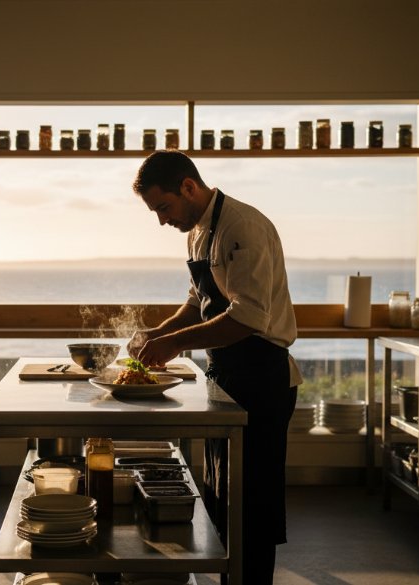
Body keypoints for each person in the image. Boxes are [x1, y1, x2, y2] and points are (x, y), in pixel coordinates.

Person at [128, 150, 302, 584]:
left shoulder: (242, 226)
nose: (162, 221)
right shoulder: (196, 232)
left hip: (261, 378)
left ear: (189, 187)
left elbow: (247, 317)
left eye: (164, 207)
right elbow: (199, 302)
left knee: (253, 507)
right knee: (225, 498)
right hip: (225, 375)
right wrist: (156, 334)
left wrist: (172, 346)